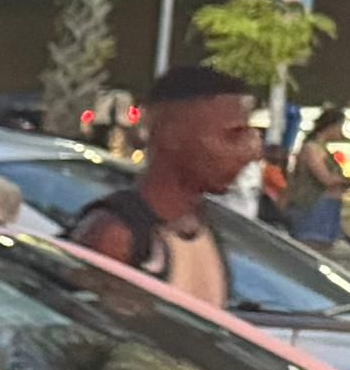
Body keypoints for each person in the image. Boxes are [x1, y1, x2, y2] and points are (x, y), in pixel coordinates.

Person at [67, 62, 253, 306]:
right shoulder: (116, 235)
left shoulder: (202, 227)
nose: (249, 152)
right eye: (231, 135)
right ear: (172, 136)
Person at [285, 115, 350, 248]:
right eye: (339, 127)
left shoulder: (323, 149)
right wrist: (343, 181)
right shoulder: (312, 148)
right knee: (312, 245)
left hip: (328, 205)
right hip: (314, 204)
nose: (341, 132)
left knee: (324, 245)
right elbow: (324, 178)